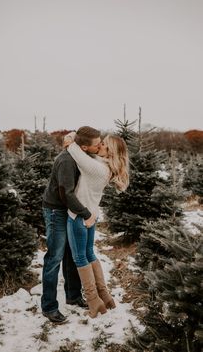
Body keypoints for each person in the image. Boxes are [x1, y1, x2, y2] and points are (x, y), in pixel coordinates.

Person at [65, 131, 129, 318]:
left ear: (109, 152)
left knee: (80, 258)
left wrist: (71, 139)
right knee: (89, 254)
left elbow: (75, 150)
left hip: (79, 216)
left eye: (102, 145)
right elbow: (89, 154)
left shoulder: (97, 169)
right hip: (91, 214)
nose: (98, 146)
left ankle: (94, 301)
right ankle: (105, 296)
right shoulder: (103, 165)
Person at [41, 126, 102, 323]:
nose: (100, 145)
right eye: (97, 144)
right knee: (55, 256)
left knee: (71, 253)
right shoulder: (67, 161)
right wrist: (85, 213)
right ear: (84, 147)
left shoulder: (81, 156)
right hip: (56, 211)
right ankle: (49, 306)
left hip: (69, 209)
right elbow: (65, 194)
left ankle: (73, 296)